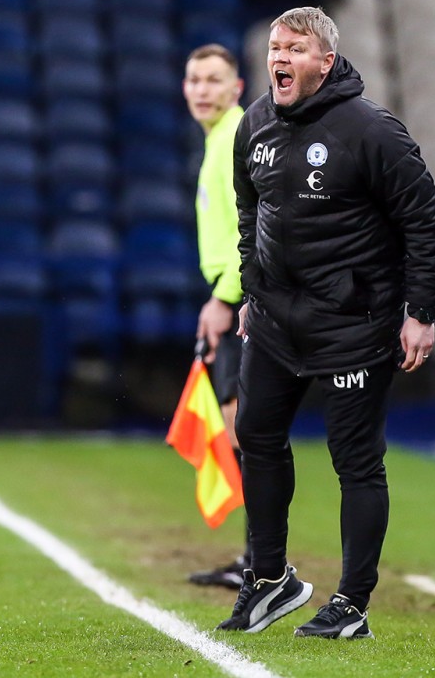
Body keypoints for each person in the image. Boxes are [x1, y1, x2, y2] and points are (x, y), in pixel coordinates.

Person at [216, 6, 435, 638]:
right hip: (273, 321)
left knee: (355, 464)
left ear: (325, 60)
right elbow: (250, 213)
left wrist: (421, 313)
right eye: (273, 47)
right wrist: (251, 284)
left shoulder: (372, 131)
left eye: (294, 49)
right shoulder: (255, 126)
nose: (279, 59)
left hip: (352, 323)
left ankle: (351, 603)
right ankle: (269, 580)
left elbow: (428, 225)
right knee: (256, 435)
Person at [181, 44, 251, 589]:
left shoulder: (234, 139)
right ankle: (256, 557)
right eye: (193, 79)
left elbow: (253, 230)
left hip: (240, 298)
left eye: (213, 79)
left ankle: (262, 561)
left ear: (237, 87)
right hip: (229, 293)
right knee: (239, 429)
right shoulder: (218, 139)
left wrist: (225, 298)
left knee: (245, 429)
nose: (201, 89)